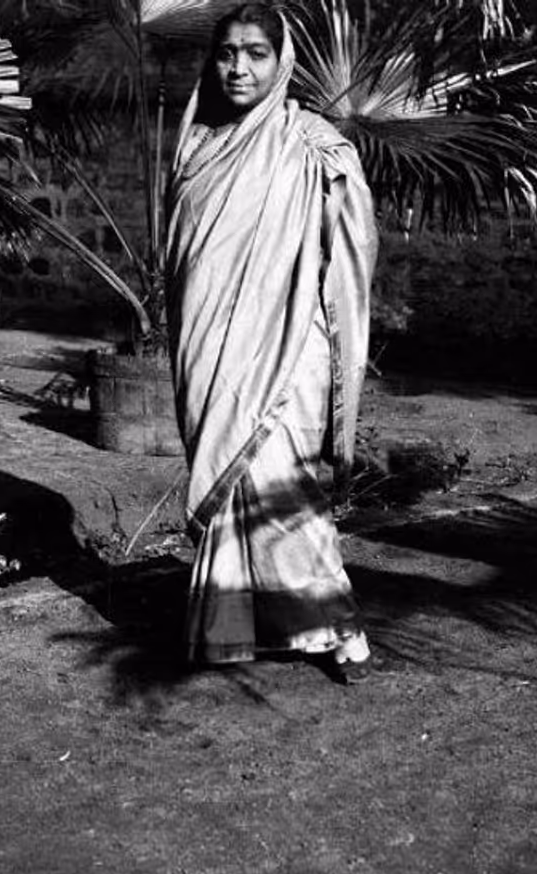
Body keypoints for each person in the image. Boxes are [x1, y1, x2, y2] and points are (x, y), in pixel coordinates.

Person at [165, 1, 378, 682]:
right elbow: (185, 261)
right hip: (209, 346)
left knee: (283, 489)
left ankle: (332, 626)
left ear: (280, 59)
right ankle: (228, 631)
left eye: (256, 53)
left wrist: (326, 336)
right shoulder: (196, 143)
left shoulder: (313, 145)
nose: (238, 67)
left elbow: (348, 254)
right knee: (231, 493)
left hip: (288, 351)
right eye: (228, 52)